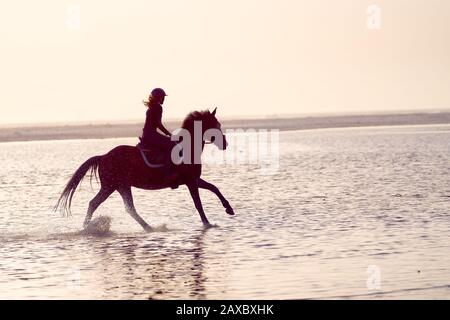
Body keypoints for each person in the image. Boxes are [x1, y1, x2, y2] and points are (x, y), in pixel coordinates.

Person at [140, 88, 178, 186]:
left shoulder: (151, 107)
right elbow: (158, 124)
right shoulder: (158, 107)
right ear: (158, 97)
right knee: (172, 146)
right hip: (151, 135)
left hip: (147, 134)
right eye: (162, 97)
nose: (163, 99)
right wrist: (170, 134)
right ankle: (168, 174)